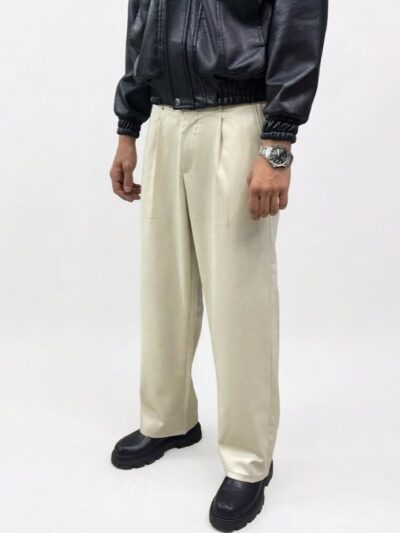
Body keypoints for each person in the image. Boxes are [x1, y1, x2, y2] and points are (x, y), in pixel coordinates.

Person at [109, 1, 328, 530]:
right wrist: (128, 127)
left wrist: (277, 143)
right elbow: (142, 25)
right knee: (164, 287)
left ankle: (250, 459)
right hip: (164, 120)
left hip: (237, 119)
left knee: (239, 300)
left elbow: (298, 24)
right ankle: (168, 419)